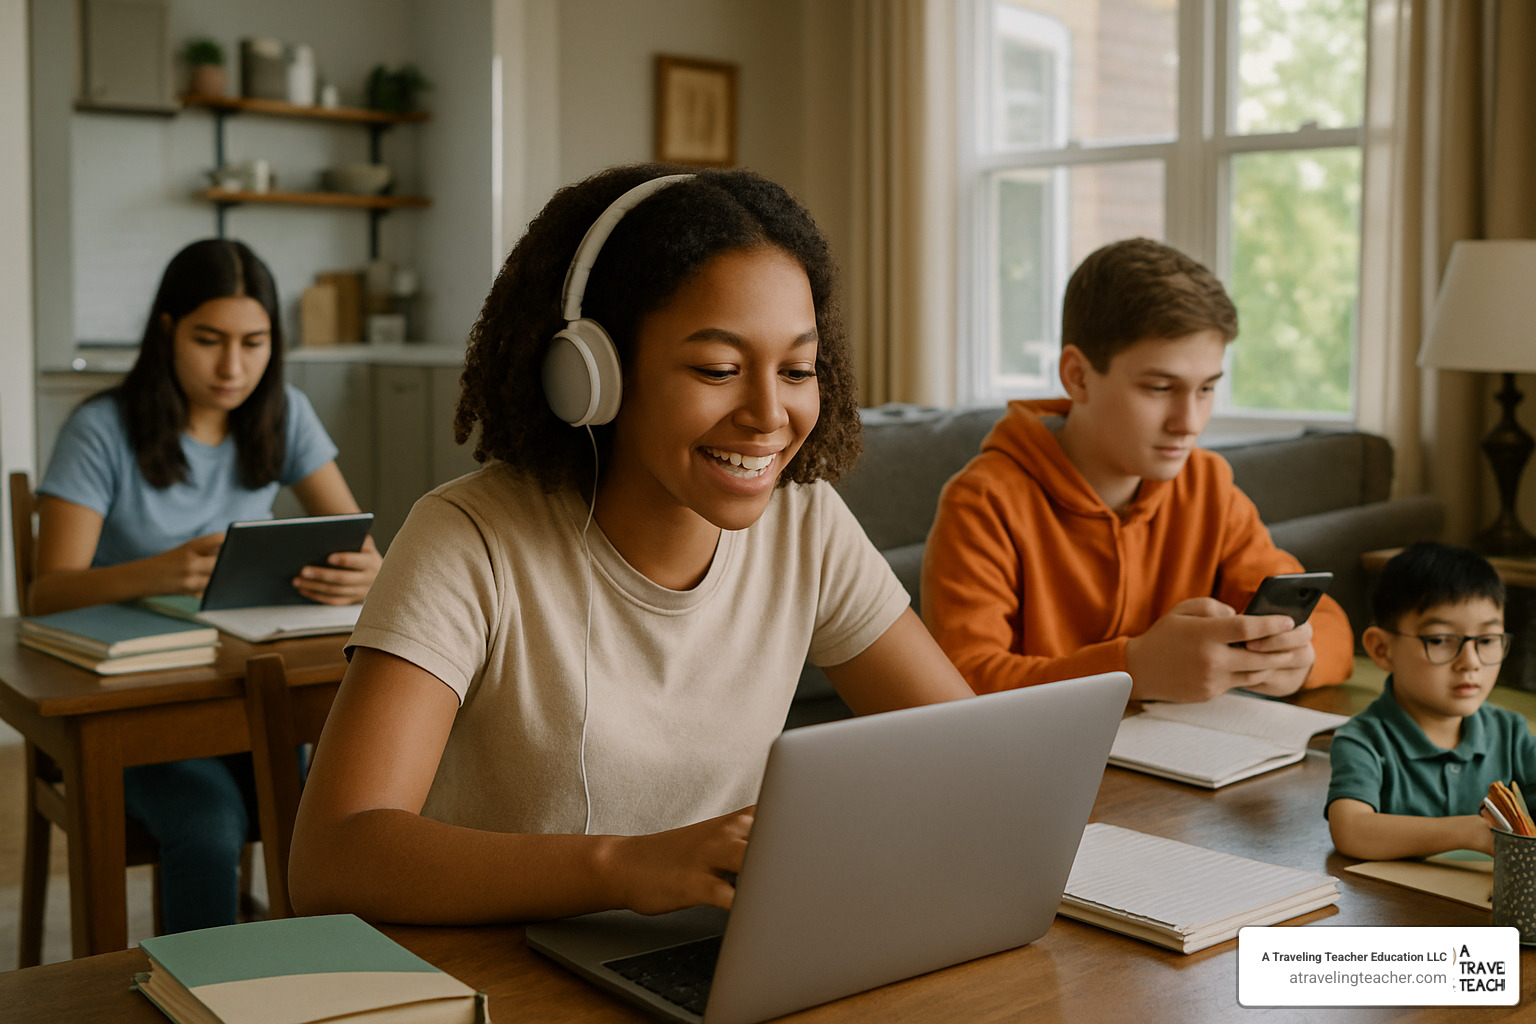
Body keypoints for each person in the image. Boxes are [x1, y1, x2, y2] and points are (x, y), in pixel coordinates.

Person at [288, 164, 973, 925]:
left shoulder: (805, 522)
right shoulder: (468, 540)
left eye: (798, 369)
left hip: (714, 964)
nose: (768, 413)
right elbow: (333, 858)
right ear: (591, 374)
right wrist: (626, 866)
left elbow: (966, 753)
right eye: (718, 368)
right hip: (503, 976)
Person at [31, 237, 382, 932]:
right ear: (167, 330)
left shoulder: (285, 414)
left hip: (250, 689)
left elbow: (359, 543)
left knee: (346, 813)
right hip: (134, 708)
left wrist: (368, 573)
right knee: (211, 826)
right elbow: (46, 592)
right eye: (209, 340)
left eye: (254, 343)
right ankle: (203, 996)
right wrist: (158, 571)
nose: (233, 366)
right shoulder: (100, 429)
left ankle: (322, 982)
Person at [921, 237, 1354, 702]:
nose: (1189, 423)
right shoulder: (984, 501)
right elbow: (960, 684)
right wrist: (1130, 671)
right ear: (1078, 376)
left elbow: (1330, 627)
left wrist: (1297, 661)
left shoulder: (1209, 487)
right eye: (1161, 387)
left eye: (1206, 389)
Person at [1327, 542, 1529, 860]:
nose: (1471, 662)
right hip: (1400, 906)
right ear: (1381, 649)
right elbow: (1351, 830)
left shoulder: (1511, 732)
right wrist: (1470, 832)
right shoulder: (1364, 739)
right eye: (1439, 640)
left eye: (1487, 640)